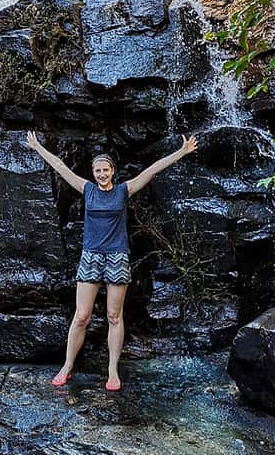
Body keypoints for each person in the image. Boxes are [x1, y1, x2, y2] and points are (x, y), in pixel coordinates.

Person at [26, 130, 198, 391]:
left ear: (113, 171)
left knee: (114, 315)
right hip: (91, 256)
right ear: (94, 173)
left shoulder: (123, 191)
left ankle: (112, 370)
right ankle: (67, 365)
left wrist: (181, 152)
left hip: (117, 257)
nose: (102, 174)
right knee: (82, 316)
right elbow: (60, 167)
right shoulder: (87, 190)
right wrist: (38, 148)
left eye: (106, 170)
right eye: (98, 171)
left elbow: (151, 171)